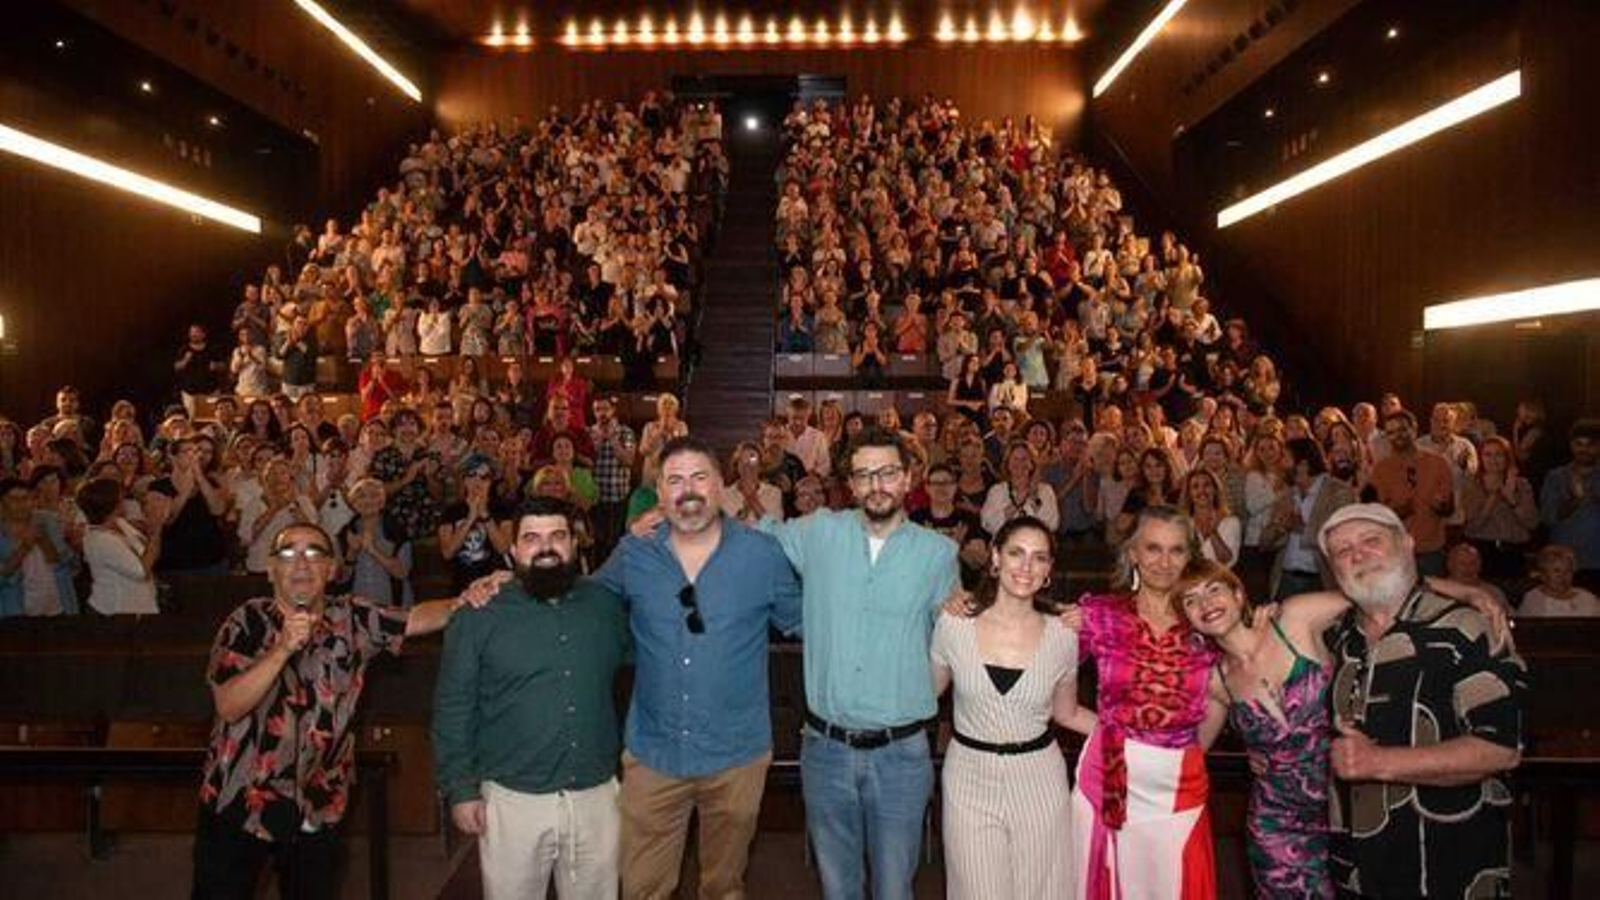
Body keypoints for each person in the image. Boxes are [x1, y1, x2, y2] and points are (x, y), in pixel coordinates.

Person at [191, 522, 495, 899]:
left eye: (315, 552)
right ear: (270, 568)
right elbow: (229, 705)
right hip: (239, 803)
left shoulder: (351, 618)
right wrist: (282, 649)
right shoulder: (246, 621)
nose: (301, 563)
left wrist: (469, 597)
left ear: (332, 569)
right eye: (288, 553)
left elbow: (416, 617)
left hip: (318, 805)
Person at [593, 436, 802, 899]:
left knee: (724, 887)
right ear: (660, 494)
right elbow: (580, 603)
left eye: (699, 477)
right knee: (643, 888)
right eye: (675, 480)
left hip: (737, 756)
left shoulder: (762, 554)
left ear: (720, 486)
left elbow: (806, 620)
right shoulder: (634, 554)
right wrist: (501, 584)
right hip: (653, 754)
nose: (688, 489)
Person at [762, 426, 960, 900]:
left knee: (895, 889)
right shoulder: (818, 531)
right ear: (849, 485)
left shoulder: (938, 554)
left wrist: (910, 696)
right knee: (838, 889)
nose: (877, 485)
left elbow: (953, 643)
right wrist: (666, 518)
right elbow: (748, 540)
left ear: (908, 477)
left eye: (887, 472)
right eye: (864, 474)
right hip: (825, 752)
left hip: (902, 756)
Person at [1319, 503, 1527, 897]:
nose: (1357, 554)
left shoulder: (1466, 627)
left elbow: (1502, 749)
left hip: (1451, 861)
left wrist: (1378, 762)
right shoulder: (1334, 638)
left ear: (1408, 544)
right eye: (1342, 551)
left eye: (1371, 540)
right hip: (1357, 868)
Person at [433, 498, 631, 900]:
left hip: (596, 795)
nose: (545, 548)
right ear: (513, 549)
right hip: (512, 799)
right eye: (531, 538)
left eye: (557, 536)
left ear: (574, 545)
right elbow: (453, 706)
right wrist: (460, 788)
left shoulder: (606, 606)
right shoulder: (478, 613)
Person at [1070, 506, 1225, 900]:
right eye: (1153, 548)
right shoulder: (1099, 614)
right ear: (1133, 553)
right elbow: (1039, 667)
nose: (1164, 561)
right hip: (1105, 778)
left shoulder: (1209, 622)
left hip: (1179, 783)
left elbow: (1224, 696)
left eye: (1176, 550)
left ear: (1191, 556)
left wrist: (1178, 754)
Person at [931, 517, 1090, 899]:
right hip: (969, 778)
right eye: (1016, 553)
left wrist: (1139, 740)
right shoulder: (954, 623)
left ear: (1049, 570)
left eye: (1039, 558)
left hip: (1039, 780)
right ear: (996, 558)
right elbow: (923, 695)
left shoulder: (1063, 634)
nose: (1026, 567)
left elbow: (1066, 713)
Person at [1368, 411, 1454, 575]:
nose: (1397, 436)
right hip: (1396, 552)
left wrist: (1441, 506)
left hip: (1431, 552)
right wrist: (1398, 511)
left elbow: (1449, 509)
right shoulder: (1381, 469)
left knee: (1432, 600)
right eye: (1391, 433)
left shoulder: (1438, 464)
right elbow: (1377, 514)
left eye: (1402, 429)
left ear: (1414, 429)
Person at [78, 478, 160, 616]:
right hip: (116, 612)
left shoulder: (120, 522)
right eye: (120, 497)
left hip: (138, 607)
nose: (124, 500)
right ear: (111, 504)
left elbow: (151, 553)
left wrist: (155, 529)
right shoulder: (101, 540)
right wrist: (157, 527)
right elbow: (141, 572)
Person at [0, 476, 78, 617]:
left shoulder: (48, 520)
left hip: (59, 606)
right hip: (17, 612)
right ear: (2, 503)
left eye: (27, 498)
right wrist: (25, 546)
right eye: (15, 499)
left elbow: (70, 567)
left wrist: (46, 541)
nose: (23, 504)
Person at [1539, 418, 1600, 590]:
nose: (1584, 449)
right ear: (1571, 445)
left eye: (1590, 444)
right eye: (1579, 444)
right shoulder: (1556, 477)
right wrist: (1574, 501)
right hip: (1563, 568)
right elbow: (1548, 518)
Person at [1519, 543, 1599, 616]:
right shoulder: (1533, 597)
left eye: (1568, 571)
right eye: (1557, 571)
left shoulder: (1588, 598)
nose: (1563, 576)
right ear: (1543, 575)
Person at [175, 325, 227, 418]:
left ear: (203, 334)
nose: (193, 334)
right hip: (190, 393)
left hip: (211, 391)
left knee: (212, 417)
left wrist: (216, 366)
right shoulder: (184, 349)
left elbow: (224, 366)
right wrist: (185, 360)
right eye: (192, 332)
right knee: (192, 418)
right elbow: (177, 367)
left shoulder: (212, 348)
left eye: (196, 332)